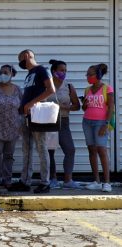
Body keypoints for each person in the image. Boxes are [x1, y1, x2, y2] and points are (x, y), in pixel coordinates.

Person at [8, 49, 55, 194]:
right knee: (26, 149)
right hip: (25, 115)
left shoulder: (42, 70)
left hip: (37, 114)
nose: (20, 62)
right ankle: (25, 180)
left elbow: (50, 89)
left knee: (41, 147)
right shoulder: (29, 74)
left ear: (27, 56)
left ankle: (45, 182)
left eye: (20, 58)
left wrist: (31, 103)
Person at [46, 59, 81, 189]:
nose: (64, 73)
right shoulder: (46, 85)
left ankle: (68, 180)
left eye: (65, 70)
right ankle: (52, 179)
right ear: (54, 71)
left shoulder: (69, 86)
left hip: (64, 121)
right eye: (61, 70)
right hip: (49, 121)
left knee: (70, 149)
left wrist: (67, 107)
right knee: (50, 151)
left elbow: (77, 105)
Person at [82, 63, 114, 192]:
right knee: (91, 150)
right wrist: (84, 103)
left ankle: (107, 182)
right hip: (87, 122)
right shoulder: (87, 90)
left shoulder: (107, 89)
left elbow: (111, 107)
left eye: (91, 74)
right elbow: (84, 108)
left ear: (99, 75)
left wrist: (106, 124)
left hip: (101, 123)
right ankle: (96, 181)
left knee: (102, 150)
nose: (88, 76)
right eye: (87, 74)